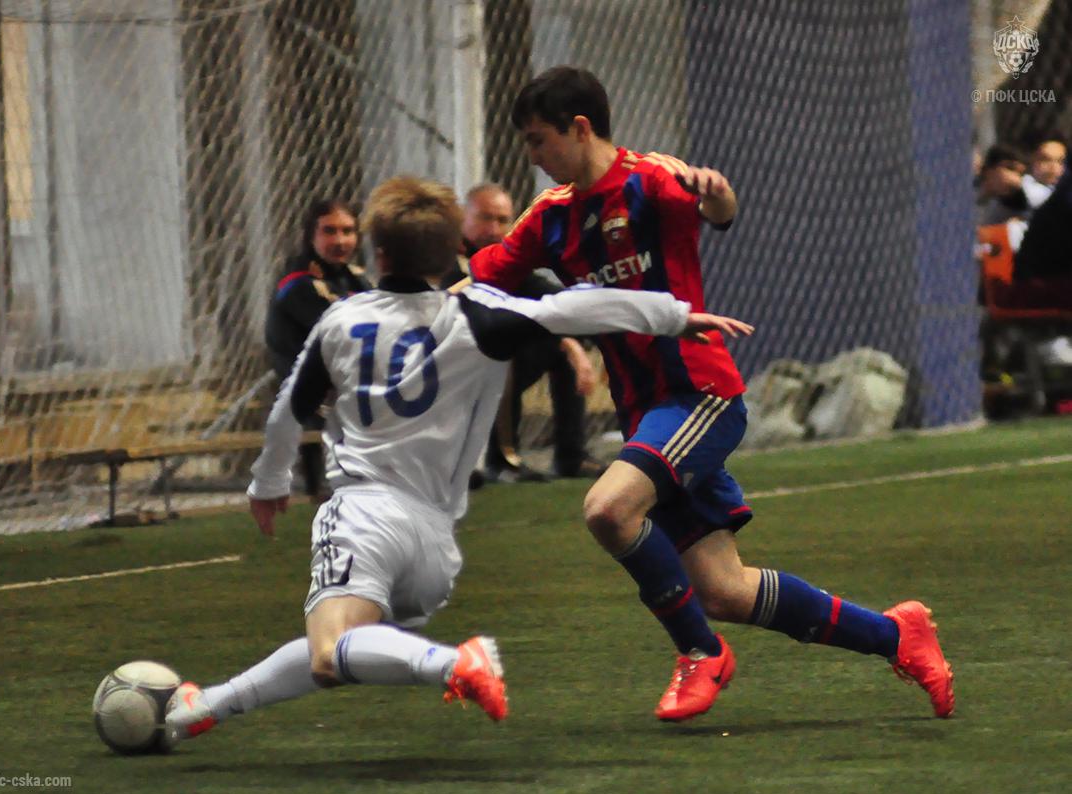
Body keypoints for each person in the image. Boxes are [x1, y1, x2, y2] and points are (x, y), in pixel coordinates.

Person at [164, 175, 753, 744]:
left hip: (364, 514)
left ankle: (454, 663)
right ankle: (204, 708)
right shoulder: (477, 316)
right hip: (434, 540)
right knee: (343, 645)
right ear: (453, 252)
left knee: (333, 648)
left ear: (377, 251)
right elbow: (573, 307)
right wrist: (675, 315)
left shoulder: (341, 320)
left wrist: (268, 482)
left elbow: (289, 410)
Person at [468, 66, 955, 722]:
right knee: (724, 590)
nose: (531, 155)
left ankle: (701, 652)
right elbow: (484, 277)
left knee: (608, 510)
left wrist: (720, 196)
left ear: (579, 128)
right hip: (648, 418)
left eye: (537, 140)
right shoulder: (551, 216)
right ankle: (898, 636)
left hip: (698, 396)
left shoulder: (651, 180)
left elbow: (715, 211)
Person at [452, 183, 605, 483]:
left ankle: (571, 457)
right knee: (504, 351)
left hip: (484, 362)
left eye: (502, 220)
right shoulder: (448, 260)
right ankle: (501, 461)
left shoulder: (504, 261)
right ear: (462, 219)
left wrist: (574, 342)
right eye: (485, 218)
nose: (494, 229)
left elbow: (553, 298)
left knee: (557, 343)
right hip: (451, 370)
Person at [265, 199, 372, 501]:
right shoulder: (297, 283)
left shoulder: (355, 278)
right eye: (329, 231)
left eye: (348, 231)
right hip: (313, 392)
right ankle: (319, 485)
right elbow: (343, 332)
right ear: (310, 236)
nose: (340, 241)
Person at [976, 144, 1030, 226]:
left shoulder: (1003, 212)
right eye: (1010, 168)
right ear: (989, 168)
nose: (1015, 180)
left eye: (1021, 174)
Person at [1022, 133, 1067, 210]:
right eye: (1046, 159)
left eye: (1060, 161)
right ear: (1032, 159)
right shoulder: (1023, 186)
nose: (1054, 167)